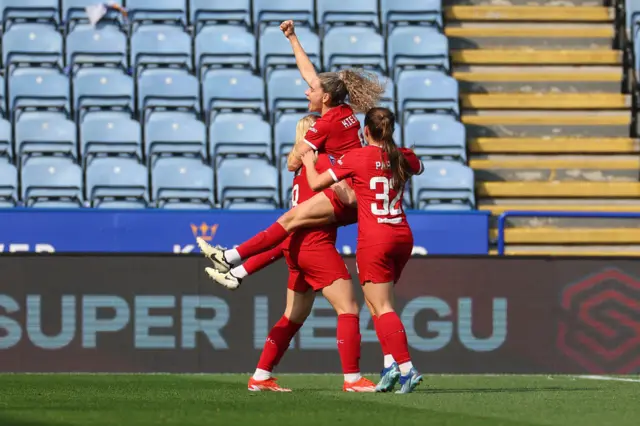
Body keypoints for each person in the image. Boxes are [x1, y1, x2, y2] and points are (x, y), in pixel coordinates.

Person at [198, 19, 386, 290]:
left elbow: (292, 163)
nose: (306, 90)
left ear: (324, 98)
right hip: (358, 190)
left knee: (288, 220)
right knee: (292, 232)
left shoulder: (324, 125)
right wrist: (292, 38)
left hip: (350, 194)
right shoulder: (343, 110)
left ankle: (229, 258)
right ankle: (235, 269)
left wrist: (300, 152)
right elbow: (309, 72)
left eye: (311, 90)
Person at [208, 115, 377, 393]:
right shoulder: (322, 162)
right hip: (316, 245)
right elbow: (345, 196)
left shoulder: (300, 169)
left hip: (297, 248)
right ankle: (353, 378)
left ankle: (261, 376)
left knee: (292, 317)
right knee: (348, 308)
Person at [300, 107, 424, 394]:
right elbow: (417, 165)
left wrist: (309, 162)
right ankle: (391, 364)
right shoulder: (403, 155)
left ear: (365, 131)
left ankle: (406, 368)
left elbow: (316, 184)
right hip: (402, 235)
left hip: (375, 239)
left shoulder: (357, 157)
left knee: (382, 306)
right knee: (379, 303)